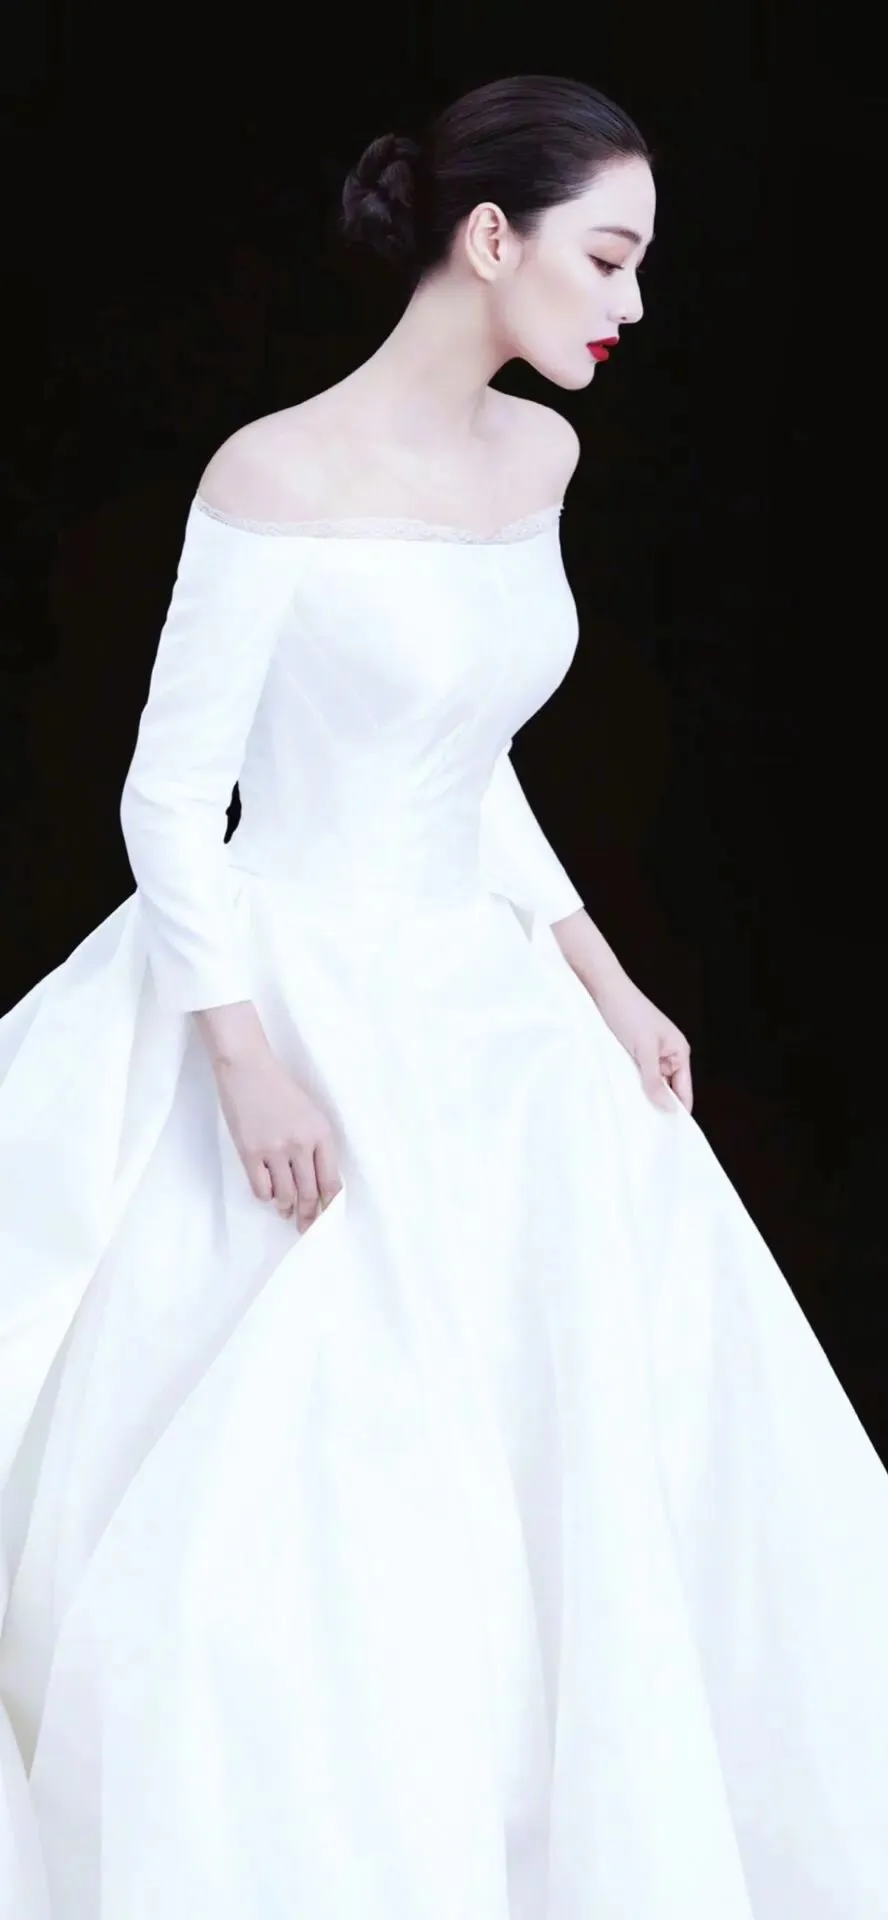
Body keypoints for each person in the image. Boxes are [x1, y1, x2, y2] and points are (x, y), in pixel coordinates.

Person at [0, 72, 886, 1920]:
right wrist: (244, 1061)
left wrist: (603, 977)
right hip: (284, 977)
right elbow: (170, 798)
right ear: (491, 239)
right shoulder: (272, 474)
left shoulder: (536, 460)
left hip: (482, 996)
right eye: (607, 257)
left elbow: (471, 757)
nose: (631, 302)